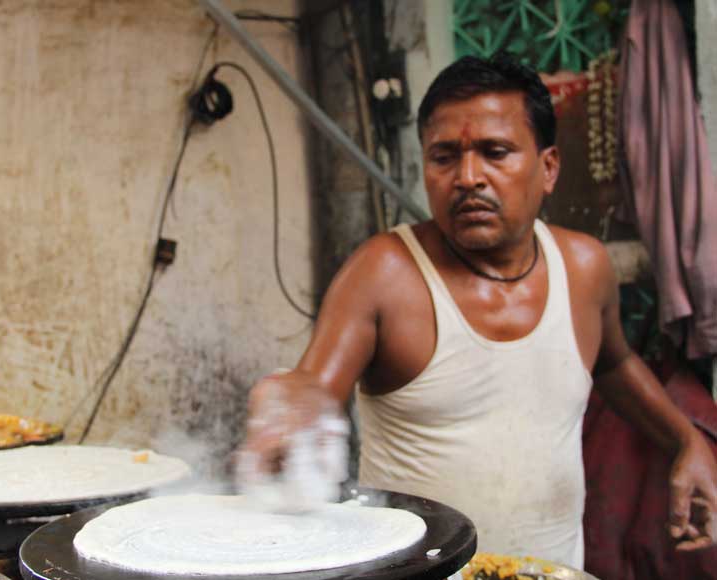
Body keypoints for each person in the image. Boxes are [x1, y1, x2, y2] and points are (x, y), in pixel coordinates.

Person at [240, 53, 717, 568]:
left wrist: (686, 440)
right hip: (420, 574)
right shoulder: (385, 273)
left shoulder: (584, 268)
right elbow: (316, 389)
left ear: (548, 167)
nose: (468, 177)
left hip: (551, 570)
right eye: (445, 157)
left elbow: (614, 364)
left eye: (495, 152)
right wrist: (289, 405)